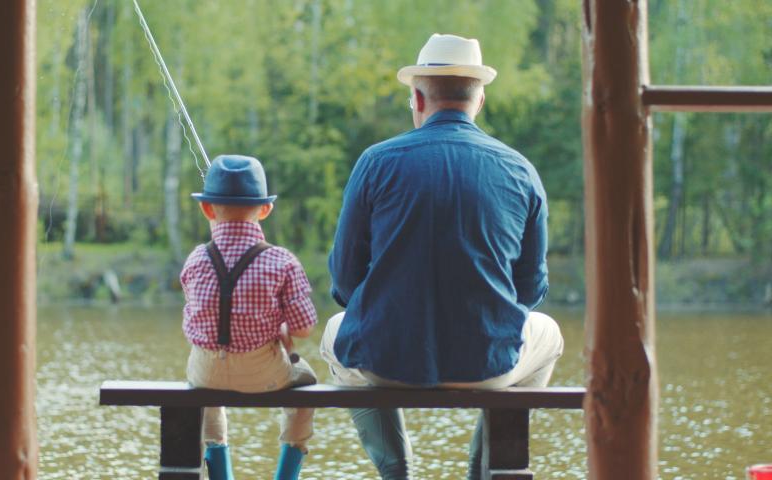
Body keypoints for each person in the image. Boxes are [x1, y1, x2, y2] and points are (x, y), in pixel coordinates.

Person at [321, 33, 565, 480]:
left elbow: (344, 282)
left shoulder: (375, 162)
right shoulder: (521, 170)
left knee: (334, 334)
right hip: (489, 366)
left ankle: (397, 472)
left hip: (386, 364)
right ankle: (487, 469)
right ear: (480, 99)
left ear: (417, 97)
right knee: (549, 334)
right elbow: (530, 291)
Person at [180, 154, 319, 480]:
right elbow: (304, 328)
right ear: (265, 209)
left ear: (207, 209)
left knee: (207, 389)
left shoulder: (196, 258)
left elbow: (197, 318)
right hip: (264, 375)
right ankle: (288, 469)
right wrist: (282, 327)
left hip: (205, 374)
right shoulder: (281, 261)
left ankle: (219, 467)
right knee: (307, 381)